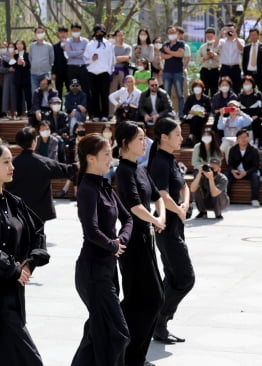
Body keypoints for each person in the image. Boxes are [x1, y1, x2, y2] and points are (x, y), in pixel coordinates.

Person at [0, 140, 49, 366]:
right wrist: (14, 269)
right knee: (29, 359)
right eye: (5, 162)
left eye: (11, 161)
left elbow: (37, 230)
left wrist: (30, 263)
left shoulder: (13, 202)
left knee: (2, 357)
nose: (11, 166)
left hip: (14, 291)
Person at [71, 133, 132, 366]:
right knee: (117, 334)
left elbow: (128, 219)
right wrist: (112, 245)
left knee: (96, 332)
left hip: (108, 268)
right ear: (91, 158)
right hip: (92, 271)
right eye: (106, 154)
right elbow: (91, 230)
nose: (111, 158)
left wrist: (119, 242)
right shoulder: (87, 188)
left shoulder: (104, 185)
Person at [114, 121, 166, 366]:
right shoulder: (123, 171)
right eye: (140, 138)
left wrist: (160, 217)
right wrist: (154, 218)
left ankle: (135, 356)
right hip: (131, 243)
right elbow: (134, 207)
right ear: (125, 143)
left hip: (146, 239)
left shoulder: (141, 169)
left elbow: (158, 197)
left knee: (153, 298)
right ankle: (130, 355)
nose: (144, 142)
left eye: (145, 138)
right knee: (145, 299)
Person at [148, 118, 194, 344]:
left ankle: (159, 324)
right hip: (167, 230)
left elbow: (184, 185)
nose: (181, 138)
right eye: (177, 134)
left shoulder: (171, 160)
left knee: (174, 276)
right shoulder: (159, 163)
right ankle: (158, 319)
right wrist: (178, 209)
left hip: (177, 225)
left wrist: (184, 206)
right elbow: (162, 196)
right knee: (185, 278)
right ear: (164, 137)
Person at [7, 126, 73, 222]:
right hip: (39, 212)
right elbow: (68, 170)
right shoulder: (44, 162)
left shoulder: (11, 163)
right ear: (34, 142)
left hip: (16, 209)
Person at [85, 24, 115, 122]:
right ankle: (96, 114)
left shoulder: (109, 44)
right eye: (98, 32)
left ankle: (105, 114)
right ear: (94, 33)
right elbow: (85, 58)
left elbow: (112, 58)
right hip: (92, 72)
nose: (99, 34)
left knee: (104, 94)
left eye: (101, 32)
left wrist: (110, 71)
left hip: (104, 72)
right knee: (94, 94)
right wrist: (91, 59)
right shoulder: (90, 44)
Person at [227, 129, 260, 207]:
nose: (243, 139)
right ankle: (226, 198)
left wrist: (246, 172)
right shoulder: (233, 149)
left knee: (255, 176)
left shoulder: (253, 150)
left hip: (248, 172)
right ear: (237, 139)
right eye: (241, 137)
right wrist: (232, 171)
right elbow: (230, 164)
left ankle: (254, 199)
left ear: (248, 138)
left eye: (245, 137)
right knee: (226, 175)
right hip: (236, 172)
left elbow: (256, 166)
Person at [161, 26, 186, 118]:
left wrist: (169, 52)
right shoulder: (165, 44)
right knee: (166, 94)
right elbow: (163, 56)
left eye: (173, 32)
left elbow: (181, 54)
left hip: (178, 72)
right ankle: (167, 113)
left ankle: (181, 114)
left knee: (180, 94)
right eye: (170, 32)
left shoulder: (181, 43)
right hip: (167, 71)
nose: (172, 34)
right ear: (167, 34)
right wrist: (173, 53)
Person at [214, 23, 245, 93]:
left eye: (231, 30)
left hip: (235, 68)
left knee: (237, 88)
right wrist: (220, 33)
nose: (230, 32)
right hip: (225, 68)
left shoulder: (240, 41)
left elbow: (242, 49)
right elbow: (215, 45)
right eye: (228, 30)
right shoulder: (222, 41)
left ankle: (236, 103)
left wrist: (235, 36)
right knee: (224, 88)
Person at [109, 30, 133, 117]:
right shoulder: (111, 47)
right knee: (112, 92)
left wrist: (115, 58)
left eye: (122, 35)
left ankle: (124, 112)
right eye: (119, 35)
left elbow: (127, 58)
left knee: (124, 92)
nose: (121, 37)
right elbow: (109, 59)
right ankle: (111, 113)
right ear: (115, 37)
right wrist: (118, 58)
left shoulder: (127, 47)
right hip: (113, 72)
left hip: (123, 71)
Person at [182, 79, 213, 146]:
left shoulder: (206, 98)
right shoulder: (190, 98)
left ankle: (191, 137)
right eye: (195, 87)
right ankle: (197, 139)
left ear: (202, 88)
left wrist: (204, 113)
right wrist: (190, 111)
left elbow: (209, 111)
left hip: (202, 118)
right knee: (195, 119)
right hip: (190, 118)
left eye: (199, 87)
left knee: (197, 119)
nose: (197, 89)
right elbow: (185, 110)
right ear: (193, 88)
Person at [66, 23, 90, 99]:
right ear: (71, 31)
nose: (75, 32)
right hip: (72, 68)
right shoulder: (68, 41)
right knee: (72, 88)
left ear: (80, 31)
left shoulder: (86, 41)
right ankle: (72, 107)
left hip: (83, 67)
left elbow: (86, 54)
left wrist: (74, 52)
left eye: (77, 30)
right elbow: (69, 54)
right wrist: (80, 51)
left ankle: (86, 107)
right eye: (74, 30)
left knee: (85, 88)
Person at [29, 26, 55, 94]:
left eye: (42, 32)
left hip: (45, 74)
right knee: (34, 95)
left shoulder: (49, 46)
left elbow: (52, 59)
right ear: (35, 34)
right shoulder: (32, 46)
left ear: (44, 33)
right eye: (38, 32)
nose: (40, 34)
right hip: (34, 75)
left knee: (46, 95)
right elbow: (30, 58)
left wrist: (49, 70)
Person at [238, 75, 262, 147]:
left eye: (248, 83)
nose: (246, 85)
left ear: (252, 84)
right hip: (243, 117)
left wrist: (257, 115)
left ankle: (257, 143)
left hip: (255, 117)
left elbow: (261, 108)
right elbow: (238, 108)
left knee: (256, 122)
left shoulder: (258, 94)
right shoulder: (240, 96)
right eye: (245, 83)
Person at [197, 28, 221, 97]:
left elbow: (221, 59)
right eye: (207, 36)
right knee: (204, 91)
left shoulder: (218, 46)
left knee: (215, 91)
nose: (209, 38)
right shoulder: (202, 47)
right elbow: (198, 59)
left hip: (215, 71)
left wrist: (213, 54)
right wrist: (205, 58)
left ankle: (214, 106)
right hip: (205, 71)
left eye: (211, 36)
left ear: (214, 36)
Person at [52, 26, 69, 97]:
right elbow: (53, 61)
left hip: (69, 71)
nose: (63, 34)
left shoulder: (71, 45)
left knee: (70, 90)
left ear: (67, 34)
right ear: (58, 34)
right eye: (61, 32)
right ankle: (59, 107)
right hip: (58, 72)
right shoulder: (54, 46)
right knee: (58, 91)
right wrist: (53, 73)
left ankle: (70, 107)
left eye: (64, 32)